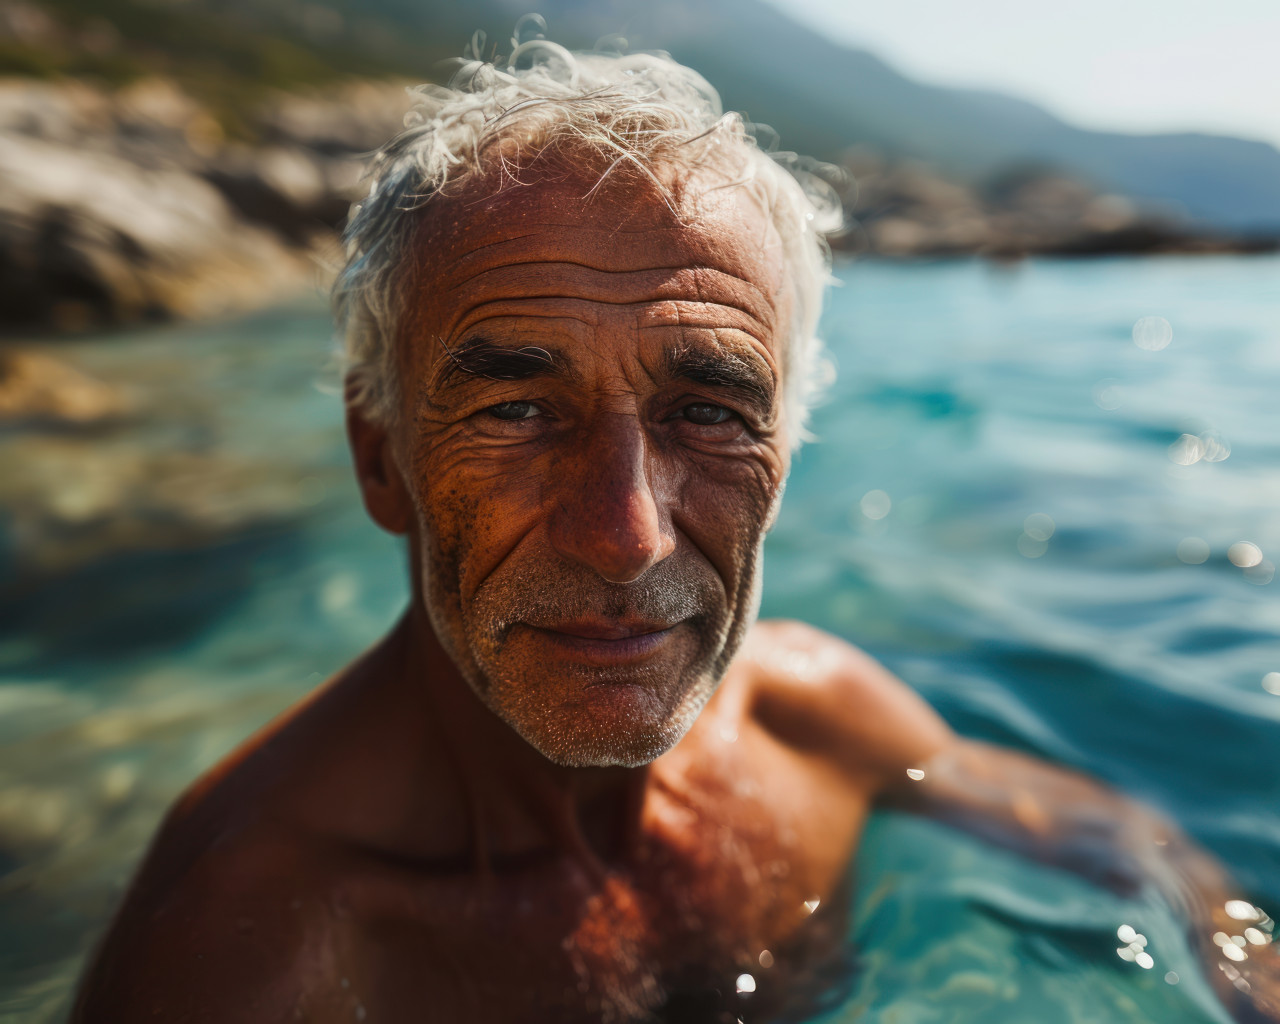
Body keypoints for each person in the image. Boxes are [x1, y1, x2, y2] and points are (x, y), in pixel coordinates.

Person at [72, 33, 1278, 1024]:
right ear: (379, 455)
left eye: (707, 411)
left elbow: (1134, 846)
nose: (626, 534)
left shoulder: (812, 718)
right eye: (517, 407)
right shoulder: (256, 951)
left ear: (785, 458)